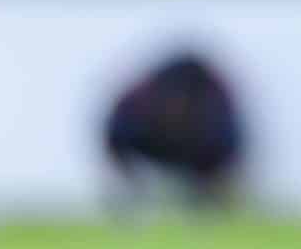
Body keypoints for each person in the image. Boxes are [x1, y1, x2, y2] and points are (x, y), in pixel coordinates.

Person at [102, 50, 243, 210]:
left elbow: (231, 146)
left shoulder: (218, 112)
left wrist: (214, 185)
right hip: (151, 143)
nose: (176, 108)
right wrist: (130, 180)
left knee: (210, 196)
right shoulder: (136, 106)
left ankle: (205, 201)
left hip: (200, 152)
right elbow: (115, 135)